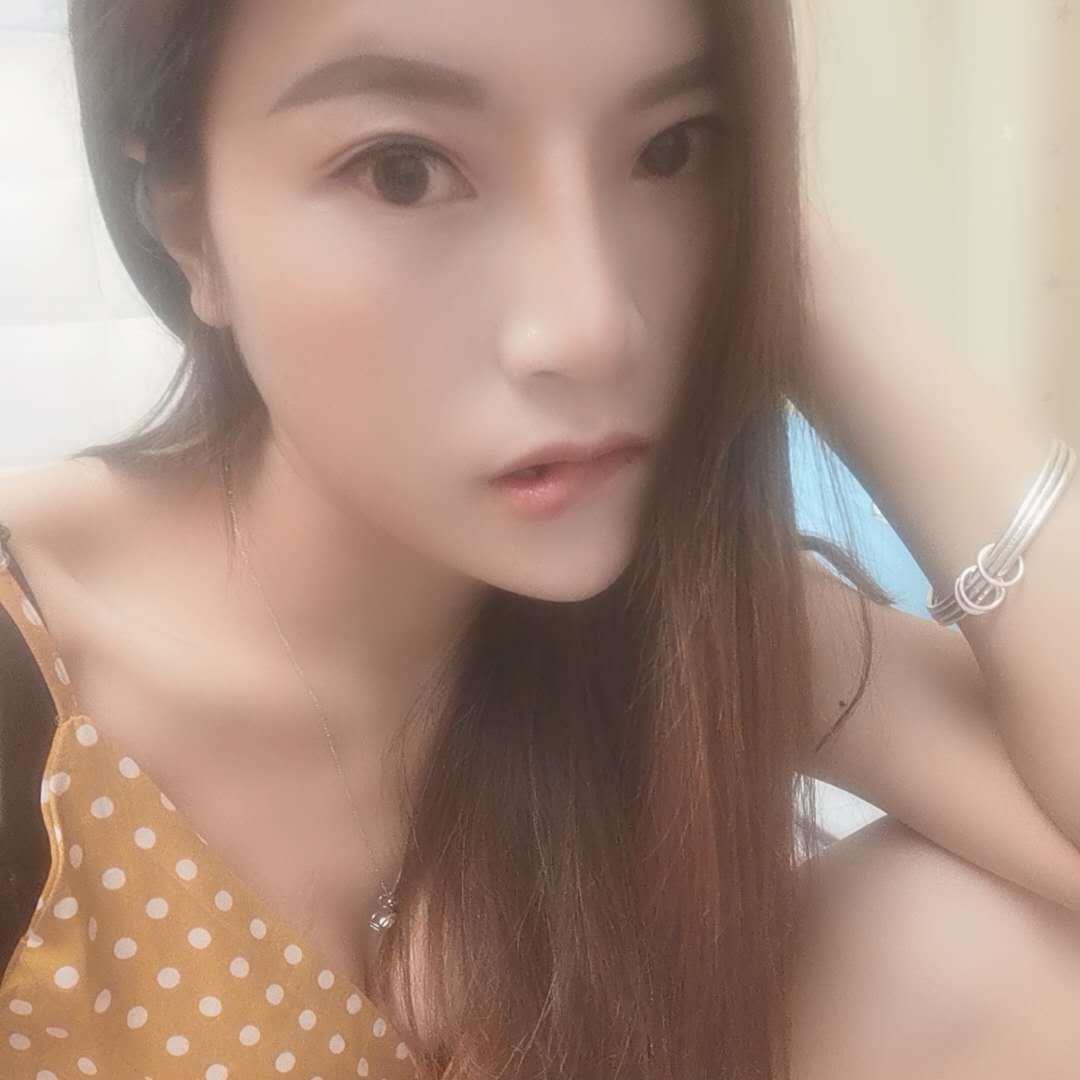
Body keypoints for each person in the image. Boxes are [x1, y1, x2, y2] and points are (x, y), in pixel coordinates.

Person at [1, 1, 1079, 1076]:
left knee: (993, 940)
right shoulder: (36, 689)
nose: (591, 327)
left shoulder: (662, 621)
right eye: (403, 172)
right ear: (184, 220)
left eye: (673, 149)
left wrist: (793, 278)